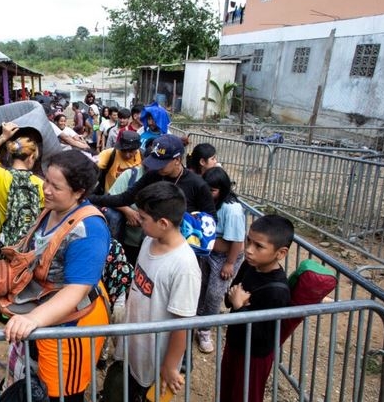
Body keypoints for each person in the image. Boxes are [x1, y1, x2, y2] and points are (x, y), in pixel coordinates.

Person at [2, 149, 111, 402]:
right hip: (47, 315)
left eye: (56, 186)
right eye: (46, 180)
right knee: (41, 384)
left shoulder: (89, 229)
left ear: (78, 192)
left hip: (71, 324)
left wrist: (32, 318)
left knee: (63, 393)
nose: (46, 189)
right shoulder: (53, 209)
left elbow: (77, 289)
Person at [117, 181, 201, 401]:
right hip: (134, 343)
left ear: (163, 223)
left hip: (154, 358)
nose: (138, 220)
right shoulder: (148, 241)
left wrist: (171, 366)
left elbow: (183, 323)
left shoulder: (185, 267)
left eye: (143, 218)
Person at [221, 214, 294, 402]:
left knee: (244, 396)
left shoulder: (278, 292)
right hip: (234, 344)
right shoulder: (250, 265)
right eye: (248, 241)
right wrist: (236, 303)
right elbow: (230, 295)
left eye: (259, 246)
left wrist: (239, 307)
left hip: (253, 358)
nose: (249, 250)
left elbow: (265, 337)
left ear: (281, 253)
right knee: (227, 391)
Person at [89, 134, 216, 219]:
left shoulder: (197, 184)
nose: (157, 167)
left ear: (177, 160)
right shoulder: (153, 175)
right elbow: (124, 198)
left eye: (162, 164)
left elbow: (210, 219)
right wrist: (89, 198)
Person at [195, 167, 245, 354]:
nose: (208, 194)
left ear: (222, 190)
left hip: (225, 256)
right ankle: (197, 318)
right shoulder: (208, 201)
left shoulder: (232, 210)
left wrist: (230, 263)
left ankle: (206, 329)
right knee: (202, 285)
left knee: (215, 293)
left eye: (213, 191)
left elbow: (238, 241)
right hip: (209, 252)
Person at [0, 120, 45, 249]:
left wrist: (4, 136)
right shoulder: (41, 183)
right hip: (31, 244)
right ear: (31, 157)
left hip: (6, 243)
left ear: (12, 153)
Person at [96, 130, 142, 194]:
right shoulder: (109, 154)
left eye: (131, 151)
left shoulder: (143, 156)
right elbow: (91, 167)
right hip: (110, 198)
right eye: (123, 151)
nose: (127, 155)